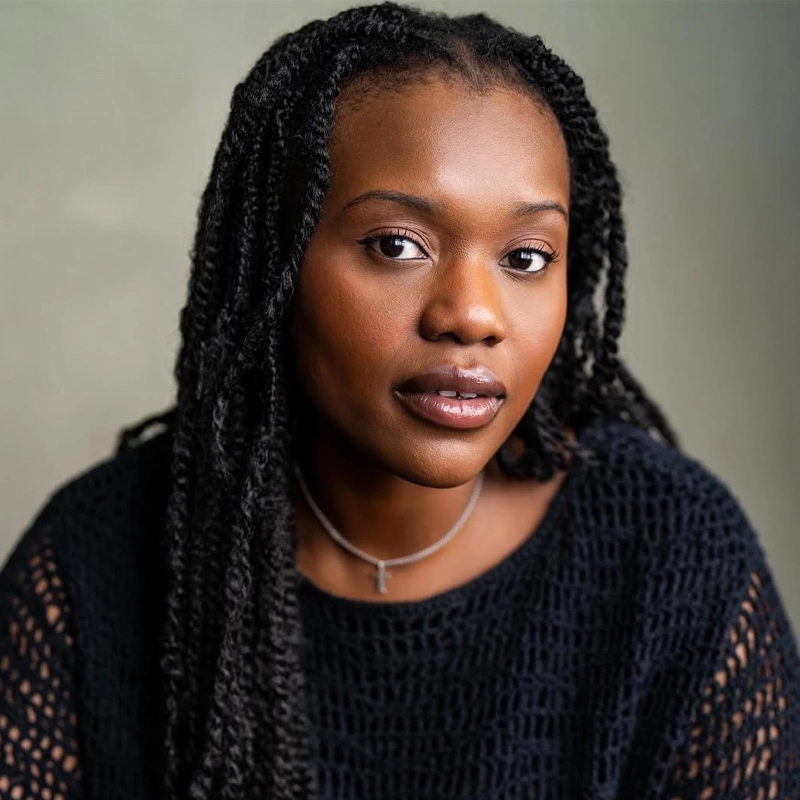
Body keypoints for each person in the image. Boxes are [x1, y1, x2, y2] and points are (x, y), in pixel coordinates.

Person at [1, 3, 798, 799]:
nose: (473, 314)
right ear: (278, 264)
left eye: (526, 256)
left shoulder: (672, 557)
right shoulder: (89, 569)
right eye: (397, 245)